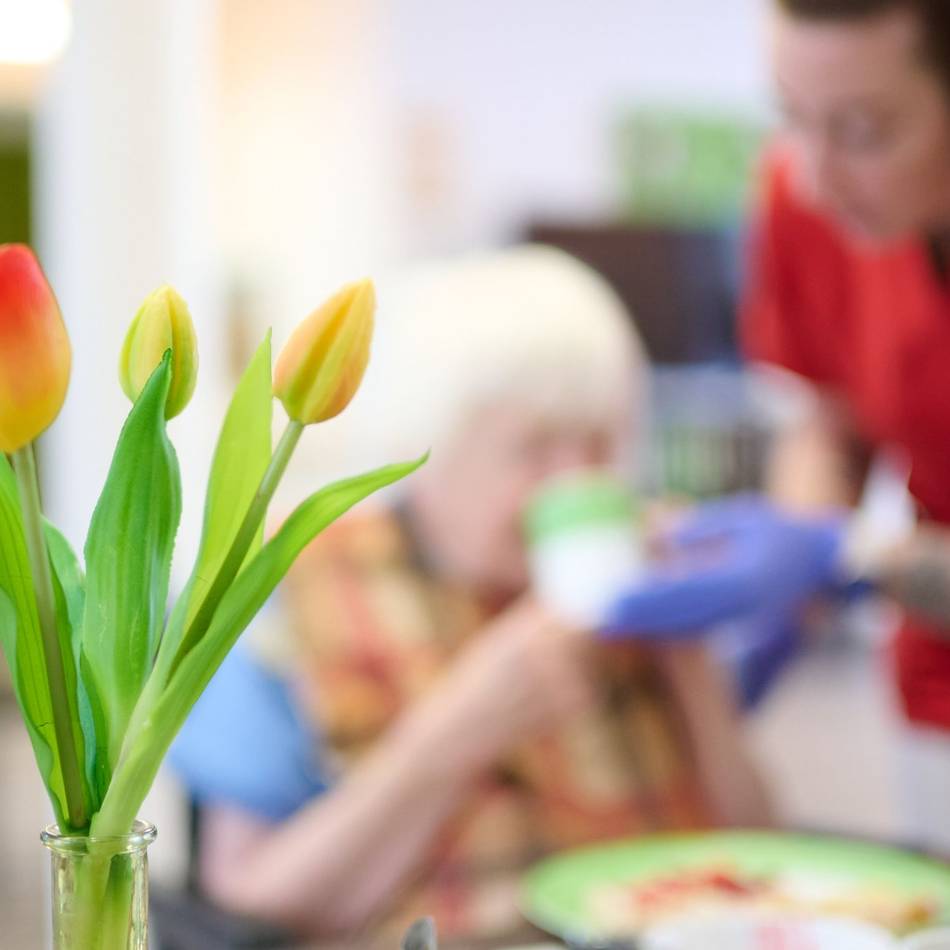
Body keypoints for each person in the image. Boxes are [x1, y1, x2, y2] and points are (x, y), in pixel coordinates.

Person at [172, 245, 768, 944]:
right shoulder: (287, 591)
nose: (574, 483)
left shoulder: (641, 569)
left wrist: (690, 666)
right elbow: (246, 904)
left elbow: (760, 852)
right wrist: (459, 730)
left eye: (600, 444)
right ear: (431, 445)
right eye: (535, 449)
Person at [608, 0, 950, 851]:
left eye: (865, 131)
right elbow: (827, 416)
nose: (813, 176)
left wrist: (853, 557)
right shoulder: (809, 201)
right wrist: (797, 544)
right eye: (794, 118)